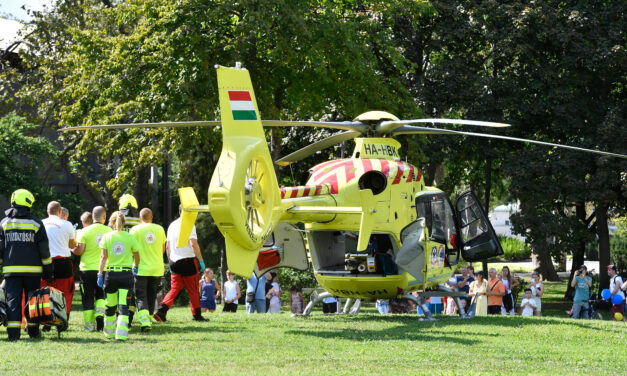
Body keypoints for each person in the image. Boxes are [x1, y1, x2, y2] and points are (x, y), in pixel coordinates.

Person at [0, 189, 53, 341]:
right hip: (33, 272)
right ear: (28, 202)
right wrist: (48, 269)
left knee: (13, 303)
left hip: (11, 272)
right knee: (32, 302)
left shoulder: (4, 223)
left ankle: (13, 335)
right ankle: (33, 332)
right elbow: (44, 250)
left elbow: (0, 248)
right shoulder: (36, 223)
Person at [154, 206, 207, 322]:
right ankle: (197, 315)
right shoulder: (189, 224)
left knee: (174, 289)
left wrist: (170, 260)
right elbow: (193, 244)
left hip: (174, 261)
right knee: (193, 289)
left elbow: (168, 246)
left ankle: (161, 311)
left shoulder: (172, 225)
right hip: (188, 261)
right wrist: (201, 261)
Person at [97, 211, 140, 341]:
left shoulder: (107, 236)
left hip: (111, 275)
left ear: (111, 222)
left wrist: (100, 274)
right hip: (126, 275)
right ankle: (121, 335)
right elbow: (137, 255)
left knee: (110, 305)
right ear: (124, 222)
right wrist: (135, 266)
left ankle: (109, 333)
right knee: (123, 306)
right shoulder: (130, 237)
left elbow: (103, 257)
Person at [73, 206, 111, 331]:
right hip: (104, 269)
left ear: (92, 217)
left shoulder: (84, 231)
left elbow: (80, 251)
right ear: (104, 217)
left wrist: (73, 249)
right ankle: (100, 316)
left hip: (86, 269)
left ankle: (89, 326)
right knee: (101, 294)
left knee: (87, 296)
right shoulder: (109, 231)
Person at [130, 208, 166, 331]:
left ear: (140, 219)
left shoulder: (135, 230)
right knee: (152, 295)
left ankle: (145, 322)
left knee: (141, 296)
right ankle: (149, 319)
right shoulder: (160, 229)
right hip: (156, 268)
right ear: (151, 218)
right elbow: (163, 249)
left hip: (140, 269)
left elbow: (131, 250)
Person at [42, 201, 76, 315]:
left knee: (44, 290)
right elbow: (72, 246)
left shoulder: (41, 224)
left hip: (45, 262)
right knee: (65, 291)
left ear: (47, 211)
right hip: (63, 262)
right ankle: (62, 317)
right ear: (60, 211)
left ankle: (45, 316)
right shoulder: (67, 224)